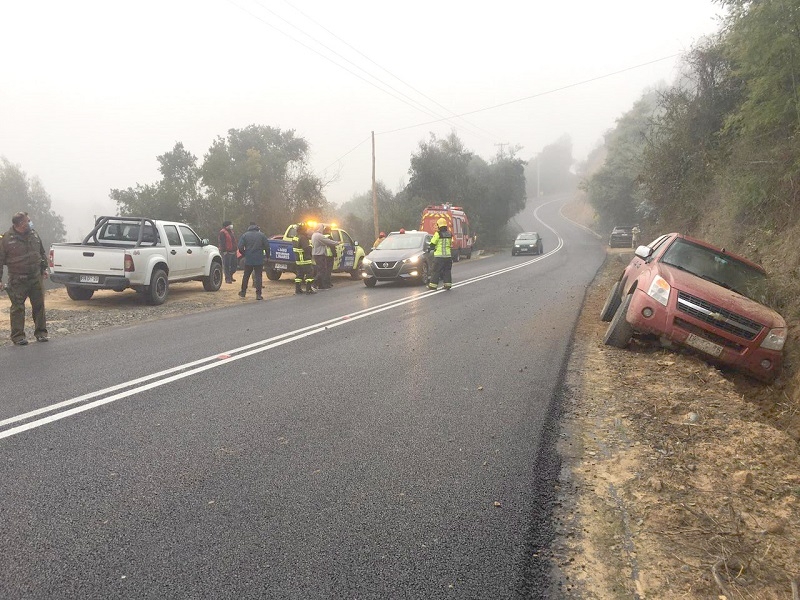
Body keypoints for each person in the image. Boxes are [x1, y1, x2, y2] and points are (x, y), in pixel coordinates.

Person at [0, 212, 49, 344]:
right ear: (21, 224)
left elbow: (41, 252)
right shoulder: (6, 239)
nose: (30, 222)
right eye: (28, 220)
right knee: (17, 308)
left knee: (39, 305)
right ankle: (18, 336)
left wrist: (44, 268)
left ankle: (41, 333)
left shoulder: (34, 234)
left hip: (35, 277)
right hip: (17, 279)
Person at [237, 221, 270, 301]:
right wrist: (267, 257)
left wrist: (245, 254)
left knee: (246, 276)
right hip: (259, 259)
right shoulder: (262, 235)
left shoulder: (245, 235)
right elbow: (267, 246)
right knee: (258, 276)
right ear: (256, 227)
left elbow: (240, 247)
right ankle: (258, 295)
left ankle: (243, 292)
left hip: (248, 259)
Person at [427, 217, 453, 291]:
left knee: (436, 271)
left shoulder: (438, 234)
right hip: (448, 256)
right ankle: (448, 285)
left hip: (439, 257)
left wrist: (432, 248)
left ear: (439, 225)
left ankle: (433, 286)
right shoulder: (449, 234)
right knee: (447, 270)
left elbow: (432, 243)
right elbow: (450, 244)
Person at [311, 223, 338, 290]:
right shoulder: (319, 236)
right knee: (322, 270)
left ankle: (321, 286)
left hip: (317, 254)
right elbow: (329, 242)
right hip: (320, 255)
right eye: (322, 228)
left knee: (321, 270)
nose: (323, 229)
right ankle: (314, 284)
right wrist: (337, 243)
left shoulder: (314, 235)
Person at [293, 223, 316, 294]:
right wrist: (311, 247)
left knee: (299, 274)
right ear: (303, 230)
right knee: (309, 273)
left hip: (298, 260)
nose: (307, 231)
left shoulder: (295, 237)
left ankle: (298, 289)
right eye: (306, 229)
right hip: (305, 259)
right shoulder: (303, 238)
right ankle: (308, 289)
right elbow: (306, 248)